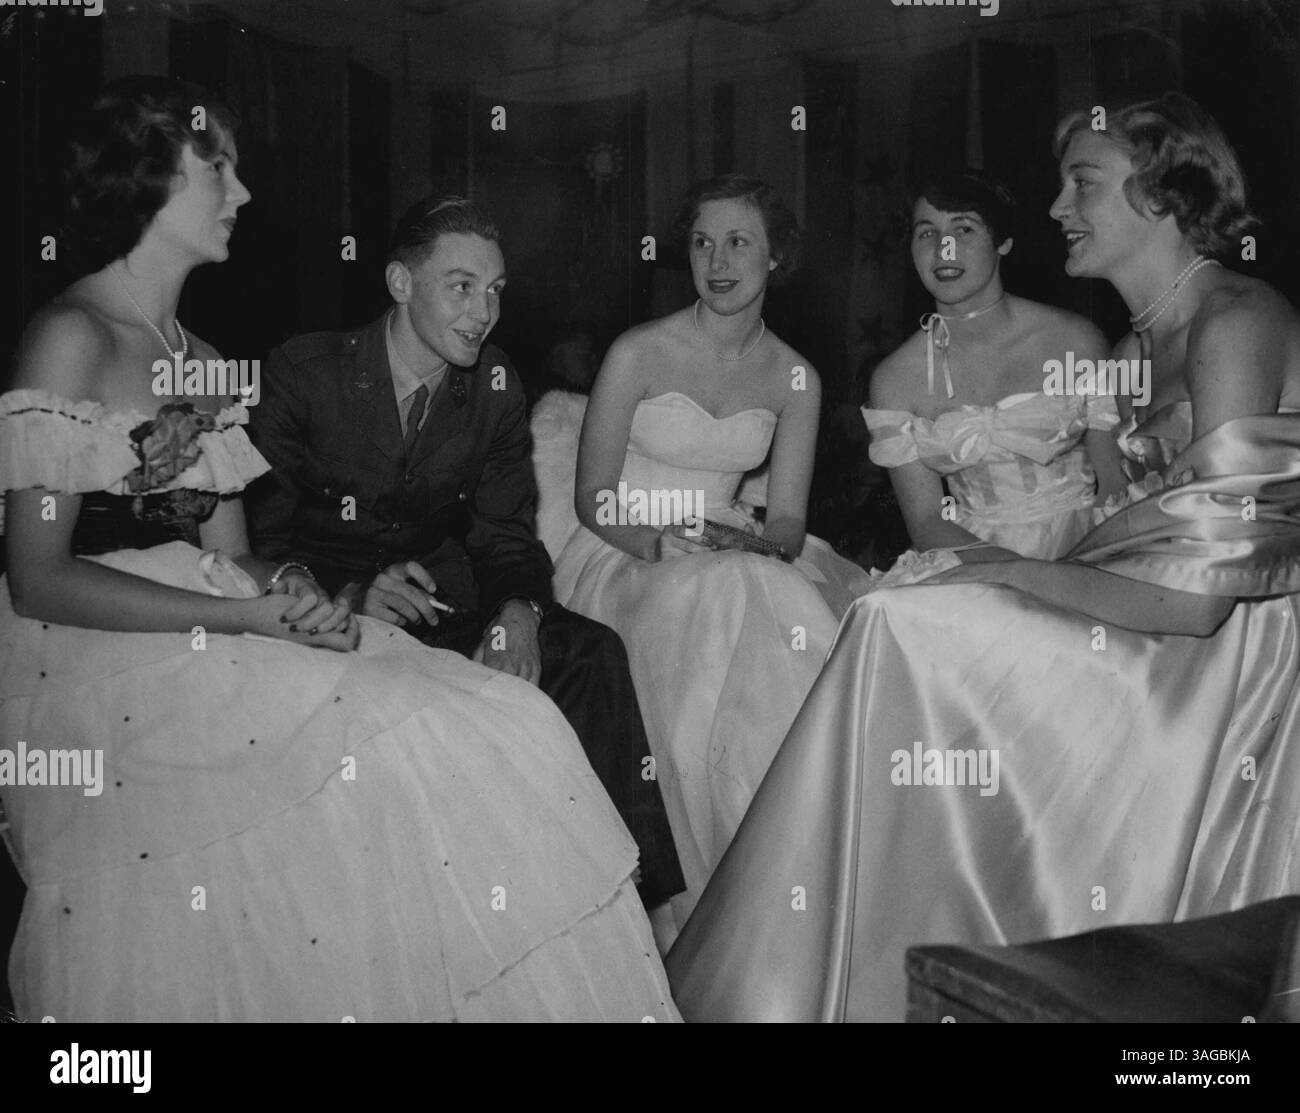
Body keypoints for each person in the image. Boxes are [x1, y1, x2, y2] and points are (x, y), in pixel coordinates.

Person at [0, 76, 678, 1022]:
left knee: (491, 720)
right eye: (219, 168)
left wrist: (297, 592)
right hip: (97, 661)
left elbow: (237, 549)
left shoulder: (198, 353)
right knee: (409, 736)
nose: (240, 193)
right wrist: (250, 611)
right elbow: (36, 580)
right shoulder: (71, 335)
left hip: (222, 620)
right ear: (150, 179)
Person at [665, 92, 1300, 1021]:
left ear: (1163, 194)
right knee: (898, 623)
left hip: (1241, 664)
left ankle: (835, 975)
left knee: (908, 625)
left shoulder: (1231, 323)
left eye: (1082, 183)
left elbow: (1203, 596)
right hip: (1161, 632)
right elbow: (1124, 537)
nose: (1055, 210)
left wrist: (1004, 570)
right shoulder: (1133, 345)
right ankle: (849, 971)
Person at [244, 196, 684, 914]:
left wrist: (518, 611)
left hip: (444, 606)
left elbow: (505, 534)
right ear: (400, 283)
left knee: (592, 652)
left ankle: (627, 911)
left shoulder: (496, 384)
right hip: (324, 622)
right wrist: (351, 588)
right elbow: (259, 541)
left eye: (496, 290)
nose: (484, 311)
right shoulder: (306, 369)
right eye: (461, 287)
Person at [551, 174, 873, 928]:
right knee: (723, 601)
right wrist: (658, 541)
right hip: (626, 542)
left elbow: (788, 520)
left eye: (739, 242)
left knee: (790, 602)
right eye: (702, 242)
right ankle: (713, 907)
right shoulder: (639, 351)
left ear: (776, 258)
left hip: (732, 545)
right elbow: (592, 497)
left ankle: (797, 871)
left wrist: (751, 542)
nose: (718, 260)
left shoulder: (797, 374)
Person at [864, 169, 1128, 564]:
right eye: (926, 233)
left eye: (964, 230)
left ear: (1002, 241)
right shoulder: (895, 380)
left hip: (1088, 550)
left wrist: (1072, 579)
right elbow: (926, 522)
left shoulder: (1076, 341)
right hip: (973, 561)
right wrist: (1020, 577)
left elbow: (1115, 486)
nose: (944, 250)